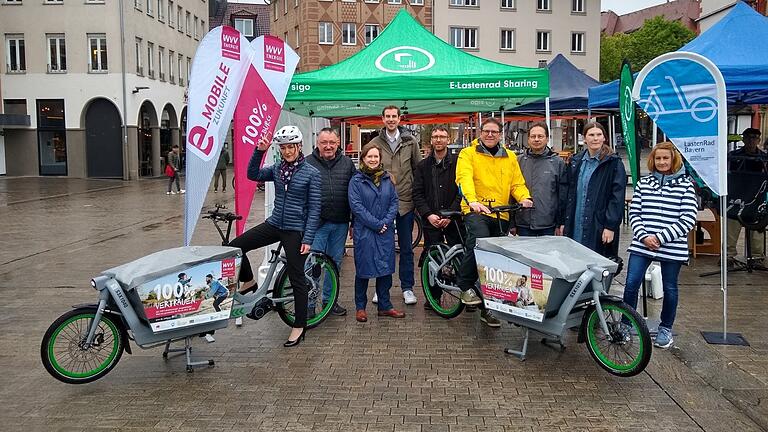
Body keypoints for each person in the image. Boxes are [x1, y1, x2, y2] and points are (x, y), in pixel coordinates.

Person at [228, 125, 321, 347]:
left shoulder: (311, 174)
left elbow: (315, 209)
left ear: (299, 147)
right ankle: (249, 281)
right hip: (274, 223)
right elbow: (252, 174)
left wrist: (307, 239)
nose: (287, 151)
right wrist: (259, 151)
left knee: (297, 277)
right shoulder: (278, 168)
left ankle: (299, 325)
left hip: (295, 230)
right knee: (236, 247)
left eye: (291, 147)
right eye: (283, 147)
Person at [455, 117, 533, 328]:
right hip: (476, 209)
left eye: (494, 132)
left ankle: (488, 308)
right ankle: (463, 284)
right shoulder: (468, 154)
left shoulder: (509, 157)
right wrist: (472, 201)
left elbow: (517, 183)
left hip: (501, 213)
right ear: (480, 132)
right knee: (479, 243)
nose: (490, 135)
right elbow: (464, 178)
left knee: (494, 264)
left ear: (500, 134)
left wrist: (524, 197)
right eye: (486, 131)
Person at [622, 142, 698, 349]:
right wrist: (645, 236)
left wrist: (661, 237)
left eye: (665, 158)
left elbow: (688, 219)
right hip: (642, 243)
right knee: (631, 284)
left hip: (672, 246)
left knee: (670, 287)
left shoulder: (685, 185)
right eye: (658, 158)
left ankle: (666, 328)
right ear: (652, 160)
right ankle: (626, 324)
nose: (662, 162)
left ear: (673, 159)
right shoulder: (644, 183)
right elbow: (634, 213)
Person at [366, 105, 422, 306]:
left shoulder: (410, 142)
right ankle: (381, 289)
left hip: (405, 203)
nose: (391, 120)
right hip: (381, 205)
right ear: (382, 119)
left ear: (400, 119)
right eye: (387, 116)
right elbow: (367, 173)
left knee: (406, 248)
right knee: (382, 248)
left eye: (394, 116)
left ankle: (407, 288)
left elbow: (418, 171)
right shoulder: (374, 143)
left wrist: (417, 200)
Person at [348, 143, 405, 323]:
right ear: (363, 159)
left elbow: (394, 203)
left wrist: (385, 223)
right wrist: (376, 224)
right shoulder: (356, 181)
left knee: (385, 270)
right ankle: (360, 307)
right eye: (369, 157)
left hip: (385, 232)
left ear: (380, 159)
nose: (373, 160)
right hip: (365, 232)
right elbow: (357, 207)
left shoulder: (388, 179)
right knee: (363, 271)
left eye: (376, 157)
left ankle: (385, 306)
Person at [305, 127, 357, 316]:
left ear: (338, 144)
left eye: (332, 143)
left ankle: (329, 301)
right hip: (316, 225)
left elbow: (354, 194)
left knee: (334, 264)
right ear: (317, 144)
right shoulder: (307, 163)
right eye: (324, 142)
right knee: (313, 265)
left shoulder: (347, 164)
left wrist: (353, 220)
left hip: (340, 223)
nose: (328, 146)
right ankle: (309, 305)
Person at [413, 125, 462, 311]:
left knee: (460, 257)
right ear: (431, 140)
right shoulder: (422, 166)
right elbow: (417, 193)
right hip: (431, 220)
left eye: (442, 136)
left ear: (448, 139)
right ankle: (433, 296)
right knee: (431, 259)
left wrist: (451, 213)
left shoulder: (458, 163)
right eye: (435, 136)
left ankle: (466, 293)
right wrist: (428, 214)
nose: (439, 140)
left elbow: (462, 192)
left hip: (454, 220)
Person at [564, 122, 626, 258]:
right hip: (576, 221)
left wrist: (610, 226)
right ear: (584, 139)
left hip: (598, 223)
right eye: (591, 135)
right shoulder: (576, 161)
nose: (595, 138)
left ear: (604, 138)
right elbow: (569, 194)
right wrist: (564, 222)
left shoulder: (614, 163)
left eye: (599, 135)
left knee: (596, 264)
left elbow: (617, 198)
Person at [513, 122, 568, 237]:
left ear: (547, 138)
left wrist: (560, 222)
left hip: (548, 224)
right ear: (528, 139)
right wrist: (511, 223)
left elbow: (562, 196)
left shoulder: (557, 163)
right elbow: (511, 192)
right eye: (533, 136)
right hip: (523, 223)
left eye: (540, 136)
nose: (536, 139)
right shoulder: (518, 161)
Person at [726, 127, 768, 269]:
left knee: (757, 229)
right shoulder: (733, 155)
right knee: (731, 227)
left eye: (754, 138)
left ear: (758, 140)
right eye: (748, 137)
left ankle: (757, 257)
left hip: (756, 199)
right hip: (737, 197)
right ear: (743, 139)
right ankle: (728, 256)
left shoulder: (764, 158)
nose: (751, 140)